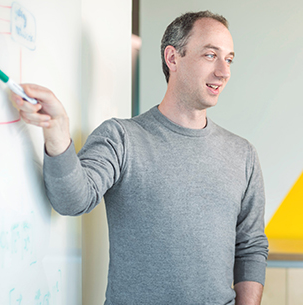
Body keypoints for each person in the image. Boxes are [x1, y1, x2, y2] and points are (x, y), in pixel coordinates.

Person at [14, 11, 268, 305]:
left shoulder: (243, 154)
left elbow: (250, 246)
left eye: (229, 59)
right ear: (172, 58)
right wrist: (57, 130)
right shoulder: (122, 137)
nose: (224, 71)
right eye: (211, 55)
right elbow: (72, 200)